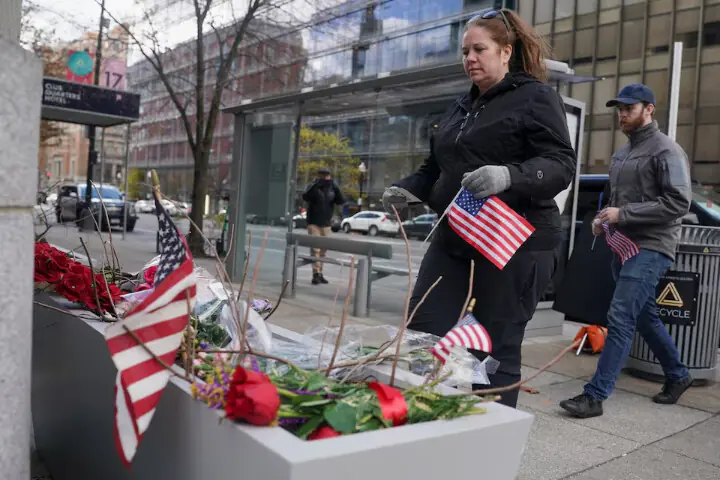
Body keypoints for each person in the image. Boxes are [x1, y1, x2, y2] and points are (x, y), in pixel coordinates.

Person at [382, 9, 576, 408]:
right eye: (464, 51)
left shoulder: (537, 97)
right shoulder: (458, 107)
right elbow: (435, 169)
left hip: (516, 242)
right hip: (456, 238)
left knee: (495, 348)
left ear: (506, 52)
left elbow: (561, 165)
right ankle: (417, 422)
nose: (469, 58)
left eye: (479, 49)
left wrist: (510, 175)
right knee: (423, 332)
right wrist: (405, 190)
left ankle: (489, 444)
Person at [560, 84, 693, 418]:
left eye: (628, 108)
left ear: (649, 109)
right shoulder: (622, 153)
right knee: (644, 317)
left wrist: (625, 215)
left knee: (620, 317)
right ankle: (679, 375)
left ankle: (595, 396)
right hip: (625, 244)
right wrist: (605, 219)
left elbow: (678, 202)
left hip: (653, 246)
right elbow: (616, 197)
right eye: (619, 108)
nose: (622, 114)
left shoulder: (667, 150)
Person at [302, 167, 345, 285]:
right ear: (319, 175)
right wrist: (315, 185)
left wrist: (336, 187)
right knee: (315, 248)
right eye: (323, 175)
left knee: (323, 249)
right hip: (313, 221)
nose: (325, 177)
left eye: (327, 175)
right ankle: (315, 274)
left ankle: (320, 273)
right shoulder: (313, 186)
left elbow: (341, 201)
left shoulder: (332, 188)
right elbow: (305, 196)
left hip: (326, 222)